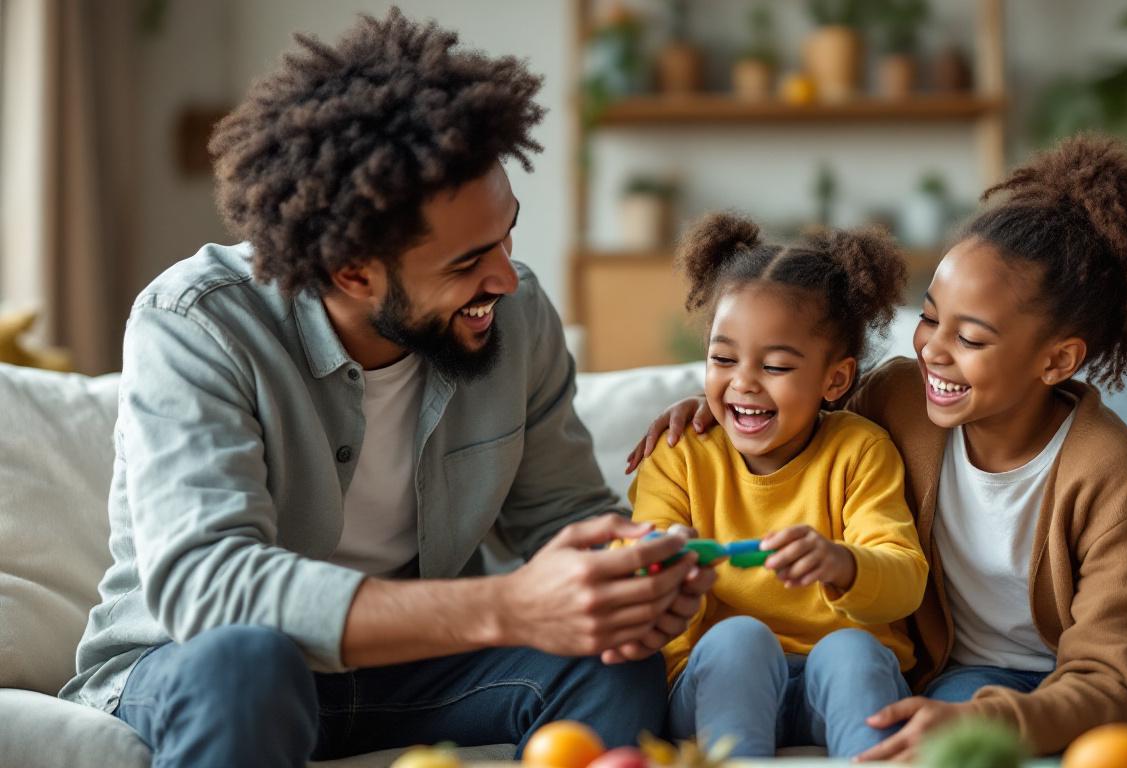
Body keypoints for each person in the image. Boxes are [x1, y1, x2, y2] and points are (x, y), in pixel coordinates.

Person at [59, 9, 713, 767]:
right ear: (353, 271)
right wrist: (506, 607)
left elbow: (562, 513)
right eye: (468, 262)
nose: (506, 277)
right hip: (193, 666)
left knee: (613, 657)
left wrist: (635, 572)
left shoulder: (518, 312)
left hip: (408, 673)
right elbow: (209, 587)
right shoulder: (196, 324)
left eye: (508, 234)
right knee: (247, 664)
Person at [629, 136, 1127, 767]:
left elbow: (1113, 679)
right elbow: (795, 407)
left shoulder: (1112, 475)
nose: (932, 348)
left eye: (972, 338)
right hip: (967, 680)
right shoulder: (897, 399)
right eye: (930, 317)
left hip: (1102, 687)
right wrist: (710, 411)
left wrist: (996, 721)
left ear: (1057, 360)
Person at [628, 213, 927, 757]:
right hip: (714, 686)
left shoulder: (860, 450)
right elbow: (640, 581)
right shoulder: (680, 455)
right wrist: (667, 570)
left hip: (830, 688)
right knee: (740, 639)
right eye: (723, 359)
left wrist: (843, 563)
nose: (742, 381)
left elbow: (906, 580)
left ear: (835, 379)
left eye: (777, 366)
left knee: (853, 652)